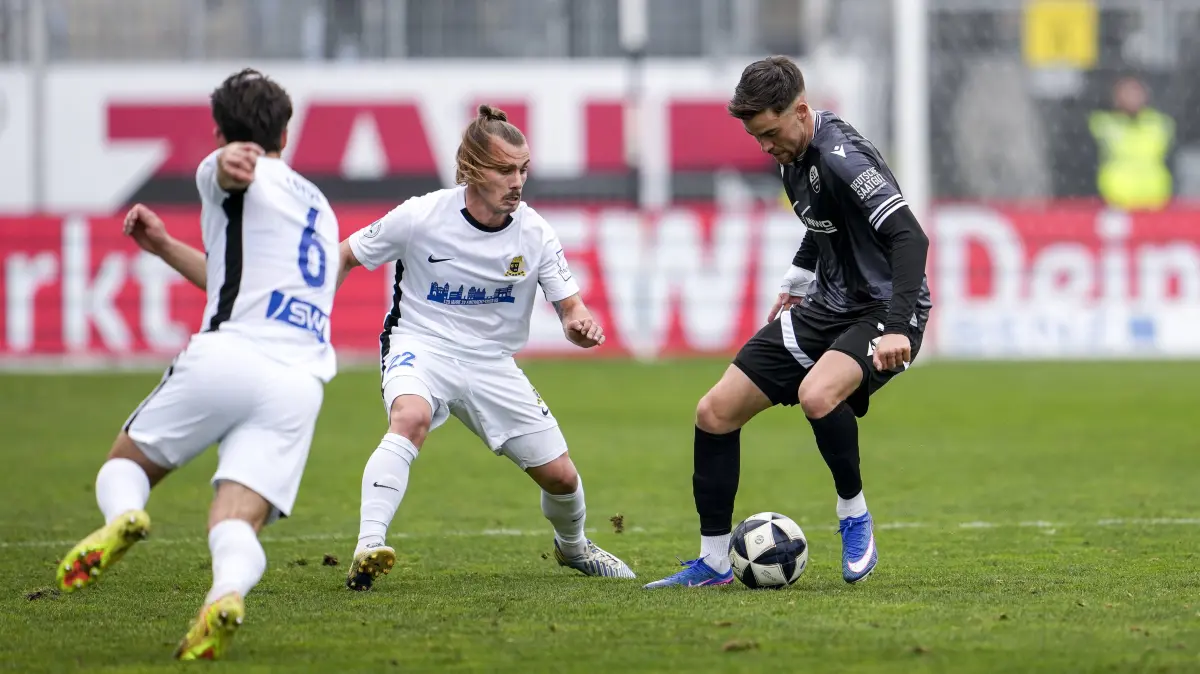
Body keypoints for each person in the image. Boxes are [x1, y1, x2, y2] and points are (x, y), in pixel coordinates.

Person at [54, 69, 340, 660]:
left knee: (125, 463)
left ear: (218, 132)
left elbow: (224, 169)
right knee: (235, 517)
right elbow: (233, 278)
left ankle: (127, 515)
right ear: (287, 132)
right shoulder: (318, 207)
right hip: (299, 382)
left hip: (231, 355)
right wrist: (162, 246)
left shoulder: (222, 170)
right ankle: (227, 593)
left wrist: (226, 162)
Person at [644, 56, 932, 589]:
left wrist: (896, 326)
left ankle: (853, 514)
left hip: (886, 309)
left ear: (800, 111)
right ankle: (711, 563)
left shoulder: (844, 158)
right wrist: (800, 274)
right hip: (827, 303)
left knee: (817, 394)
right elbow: (823, 219)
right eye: (757, 137)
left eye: (770, 133)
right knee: (714, 412)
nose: (765, 146)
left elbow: (910, 237)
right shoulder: (791, 149)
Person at [337, 105, 635, 590]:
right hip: (421, 344)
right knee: (409, 418)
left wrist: (580, 324)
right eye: (504, 169)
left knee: (561, 478)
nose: (517, 181)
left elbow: (571, 308)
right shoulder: (421, 215)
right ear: (472, 170)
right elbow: (346, 255)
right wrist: (303, 308)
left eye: (523, 169)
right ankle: (369, 546)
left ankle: (574, 548)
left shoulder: (535, 232)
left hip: (491, 362)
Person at [1088, 75, 1175, 211]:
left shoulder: (1160, 123)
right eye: (1126, 93)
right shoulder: (1102, 124)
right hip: (1115, 204)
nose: (1132, 98)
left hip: (1156, 203)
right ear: (1115, 97)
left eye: (1135, 92)